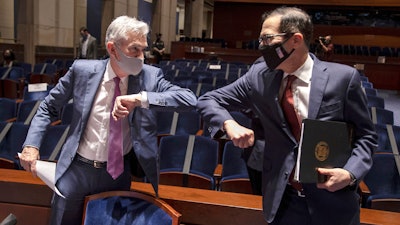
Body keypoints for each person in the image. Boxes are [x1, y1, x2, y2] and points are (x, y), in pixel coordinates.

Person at [197, 6, 377, 225]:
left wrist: (350, 174)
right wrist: (229, 124)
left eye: (267, 39)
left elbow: (366, 137)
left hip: (333, 202)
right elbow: (209, 99)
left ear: (295, 40)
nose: (261, 46)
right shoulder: (260, 75)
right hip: (283, 200)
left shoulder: (343, 79)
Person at [19, 15, 197, 225]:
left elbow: (189, 100)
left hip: (118, 173)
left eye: (144, 49)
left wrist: (141, 99)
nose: (142, 57)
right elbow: (48, 106)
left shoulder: (150, 76)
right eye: (135, 49)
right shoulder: (82, 71)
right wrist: (31, 145)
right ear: (113, 49)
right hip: (77, 170)